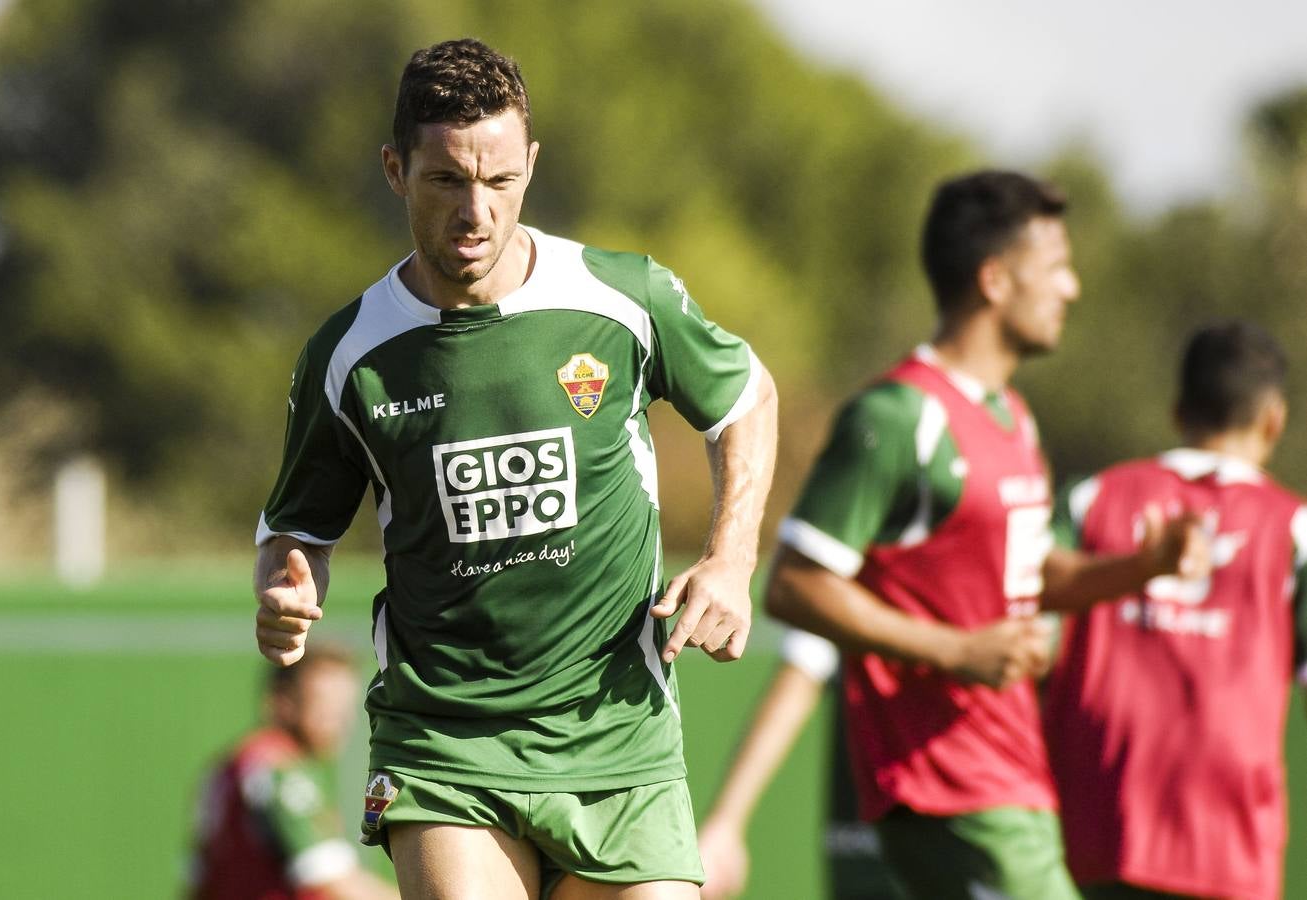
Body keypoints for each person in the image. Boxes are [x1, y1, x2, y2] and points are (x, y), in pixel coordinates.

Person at [252, 38, 778, 900]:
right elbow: (296, 531)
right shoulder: (349, 354)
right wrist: (282, 590)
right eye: (446, 181)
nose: (476, 212)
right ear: (394, 169)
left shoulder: (622, 298)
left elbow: (746, 399)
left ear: (530, 164)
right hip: (446, 744)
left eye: (499, 182)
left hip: (620, 738)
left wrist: (731, 558)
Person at [764, 169, 1206, 900]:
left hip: (1009, 772)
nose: (1072, 288)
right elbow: (794, 584)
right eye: (1057, 268)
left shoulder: (1013, 418)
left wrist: (1142, 565)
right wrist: (956, 650)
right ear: (995, 280)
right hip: (944, 785)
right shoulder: (898, 417)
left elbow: (1029, 576)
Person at [1041, 320, 1307, 900]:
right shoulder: (1294, 529)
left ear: (1177, 412)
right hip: (1230, 839)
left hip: (1094, 822)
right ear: (1274, 420)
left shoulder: (1092, 499)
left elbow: (1031, 634)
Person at [697, 627, 905, 900]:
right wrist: (725, 823)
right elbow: (805, 664)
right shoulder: (842, 585)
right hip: (871, 840)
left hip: (961, 827)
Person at [188, 643, 399, 900]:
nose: (340, 720)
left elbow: (198, 878)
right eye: (324, 704)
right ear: (282, 700)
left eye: (345, 707)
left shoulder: (228, 768)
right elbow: (335, 884)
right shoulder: (278, 770)